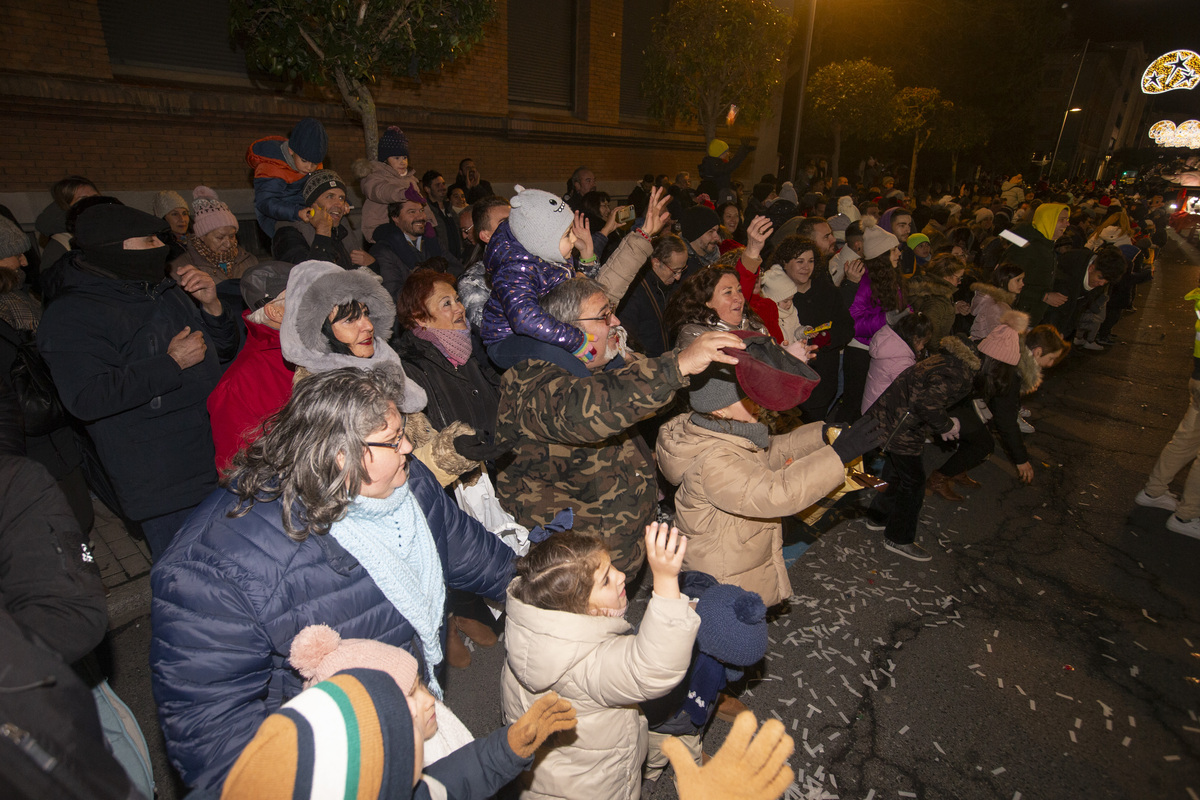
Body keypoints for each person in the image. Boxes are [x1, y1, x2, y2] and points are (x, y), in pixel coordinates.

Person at [150, 365, 517, 793]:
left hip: (409, 705)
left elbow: (469, 551)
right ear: (341, 454)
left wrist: (555, 592)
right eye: (395, 439)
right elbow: (216, 742)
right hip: (331, 758)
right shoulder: (218, 566)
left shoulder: (401, 479)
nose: (411, 447)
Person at [494, 275, 745, 579]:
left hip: (615, 554)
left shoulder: (600, 366)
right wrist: (678, 365)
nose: (615, 320)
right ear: (565, 329)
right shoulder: (532, 381)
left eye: (611, 311)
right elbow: (585, 411)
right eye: (603, 316)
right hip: (575, 572)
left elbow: (645, 402)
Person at [37, 204, 239, 557]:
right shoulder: (71, 315)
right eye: (147, 240)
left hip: (216, 459)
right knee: (192, 583)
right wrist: (170, 363)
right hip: (163, 482)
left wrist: (213, 308)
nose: (159, 247)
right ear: (113, 248)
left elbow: (219, 353)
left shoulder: (162, 290)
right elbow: (86, 396)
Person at [656, 333, 878, 605]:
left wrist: (822, 435)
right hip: (723, 576)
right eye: (748, 398)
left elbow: (771, 453)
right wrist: (838, 455)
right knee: (725, 642)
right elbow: (775, 493)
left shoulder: (724, 433)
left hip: (735, 558)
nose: (757, 403)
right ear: (720, 409)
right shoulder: (714, 460)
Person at [501, 524, 700, 800]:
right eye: (605, 580)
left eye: (612, 566)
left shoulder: (527, 632)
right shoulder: (590, 666)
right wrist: (666, 583)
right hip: (597, 788)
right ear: (580, 609)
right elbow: (654, 667)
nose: (621, 576)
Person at [864, 318, 1024, 560]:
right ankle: (898, 538)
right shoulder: (959, 373)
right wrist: (946, 425)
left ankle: (878, 516)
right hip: (900, 422)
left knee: (897, 472)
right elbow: (927, 403)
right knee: (914, 482)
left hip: (899, 418)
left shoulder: (957, 361)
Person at [481, 186, 669, 363]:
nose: (573, 239)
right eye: (566, 235)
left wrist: (642, 235)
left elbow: (594, 294)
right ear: (541, 239)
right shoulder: (515, 271)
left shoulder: (552, 260)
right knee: (568, 358)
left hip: (552, 331)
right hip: (510, 339)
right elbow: (527, 318)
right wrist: (574, 340)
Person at [207, 262, 295, 473]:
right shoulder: (239, 387)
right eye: (306, 300)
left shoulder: (329, 352)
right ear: (275, 312)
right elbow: (239, 476)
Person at [392, 265, 500, 436]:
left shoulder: (472, 349)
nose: (460, 308)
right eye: (446, 304)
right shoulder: (412, 371)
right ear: (421, 318)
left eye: (457, 299)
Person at [766, 235, 854, 420]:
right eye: (800, 261)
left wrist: (823, 339)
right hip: (786, 381)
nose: (806, 267)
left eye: (811, 261)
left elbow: (846, 328)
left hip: (821, 379)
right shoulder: (774, 298)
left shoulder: (828, 291)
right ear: (784, 263)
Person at [986, 324, 1069, 486]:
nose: (1051, 364)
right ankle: (942, 477)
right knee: (981, 445)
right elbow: (1006, 419)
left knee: (981, 443)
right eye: (1051, 358)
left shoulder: (1015, 354)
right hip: (962, 396)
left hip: (972, 396)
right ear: (1037, 351)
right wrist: (1021, 459)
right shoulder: (1012, 370)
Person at [840, 219, 905, 422]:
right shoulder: (864, 280)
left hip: (880, 349)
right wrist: (887, 319)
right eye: (894, 249)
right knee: (854, 404)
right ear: (881, 255)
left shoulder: (890, 278)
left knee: (874, 404)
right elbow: (854, 322)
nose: (899, 253)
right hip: (860, 351)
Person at [246, 116, 328, 237]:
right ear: (291, 150)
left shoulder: (312, 166)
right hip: (276, 216)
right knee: (303, 233)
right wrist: (296, 212)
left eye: (314, 163)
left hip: (303, 209)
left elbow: (324, 188)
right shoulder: (272, 167)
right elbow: (266, 202)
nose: (309, 167)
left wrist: (341, 203)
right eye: (304, 161)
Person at [373, 185, 459, 297]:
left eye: (422, 210)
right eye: (412, 212)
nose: (421, 217)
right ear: (395, 217)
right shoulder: (384, 251)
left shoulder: (433, 242)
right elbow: (393, 295)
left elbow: (458, 270)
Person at [272, 169, 368, 269]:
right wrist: (322, 232)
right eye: (330, 196)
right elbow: (310, 278)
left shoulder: (341, 231)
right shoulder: (288, 234)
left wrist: (372, 264)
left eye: (341, 198)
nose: (339, 204)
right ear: (312, 205)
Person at [617, 233, 687, 358]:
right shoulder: (634, 291)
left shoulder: (670, 287)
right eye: (675, 271)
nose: (678, 277)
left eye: (682, 269)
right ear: (655, 263)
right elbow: (628, 337)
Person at [171, 186, 258, 283]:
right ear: (202, 237)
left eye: (231, 236)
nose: (228, 244)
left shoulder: (248, 261)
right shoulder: (182, 268)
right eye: (220, 237)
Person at [359, 126, 424, 244]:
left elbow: (422, 202)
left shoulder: (410, 179)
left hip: (406, 226)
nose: (402, 161)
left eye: (405, 157)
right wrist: (402, 193)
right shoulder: (375, 175)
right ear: (385, 159)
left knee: (431, 240)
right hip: (380, 225)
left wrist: (428, 221)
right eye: (397, 158)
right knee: (396, 238)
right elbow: (380, 191)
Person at [1011, 203, 1070, 325]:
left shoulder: (1046, 245)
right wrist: (1044, 296)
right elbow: (1007, 282)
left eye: (1067, 220)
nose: (1067, 224)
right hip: (1015, 318)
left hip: (1029, 317)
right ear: (1047, 220)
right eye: (1062, 220)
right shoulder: (1027, 247)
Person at [862, 312, 932, 413]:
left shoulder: (889, 344)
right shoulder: (901, 361)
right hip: (882, 412)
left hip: (872, 403)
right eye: (923, 343)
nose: (922, 348)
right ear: (915, 339)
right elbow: (908, 391)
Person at [905, 253, 969, 343]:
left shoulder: (935, 288)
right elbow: (931, 335)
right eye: (958, 278)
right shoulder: (937, 299)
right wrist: (937, 352)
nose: (960, 282)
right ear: (946, 276)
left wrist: (953, 308)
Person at [969, 262, 1024, 340]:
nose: (1022, 284)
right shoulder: (994, 304)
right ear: (1003, 280)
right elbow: (997, 337)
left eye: (1023, 279)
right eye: (1018, 280)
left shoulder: (1003, 301)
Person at [153, 189, 191, 260]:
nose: (182, 219)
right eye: (175, 214)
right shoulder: (159, 247)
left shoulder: (197, 240)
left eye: (184, 214)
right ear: (163, 219)